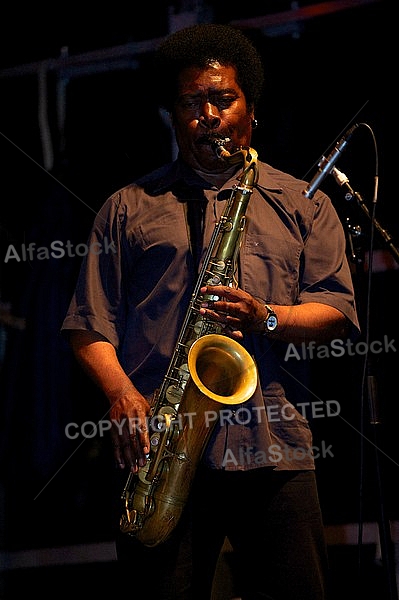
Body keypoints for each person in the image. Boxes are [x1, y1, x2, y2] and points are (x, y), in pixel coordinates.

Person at [61, 22, 360, 600]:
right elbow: (87, 324)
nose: (209, 116)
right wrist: (123, 395)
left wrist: (267, 317)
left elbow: (338, 310)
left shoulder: (303, 202)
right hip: (164, 442)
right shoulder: (127, 207)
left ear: (250, 108)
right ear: (171, 115)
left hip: (275, 446)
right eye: (191, 102)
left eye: (223, 100)